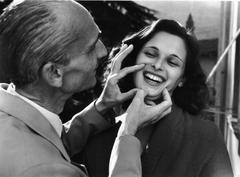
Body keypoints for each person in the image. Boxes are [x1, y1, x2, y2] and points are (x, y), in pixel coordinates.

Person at [0, 1, 172, 177]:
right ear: (54, 73)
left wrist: (102, 106)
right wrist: (127, 133)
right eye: (91, 48)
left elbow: (46, 142)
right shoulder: (45, 170)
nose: (103, 51)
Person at [75, 19, 234, 177]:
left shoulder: (206, 136)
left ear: (182, 78)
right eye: (151, 54)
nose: (157, 65)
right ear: (134, 59)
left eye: (172, 62)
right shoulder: (98, 136)